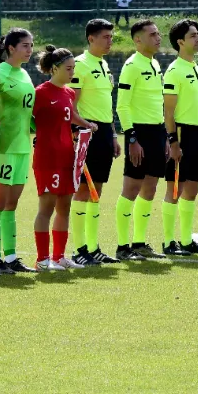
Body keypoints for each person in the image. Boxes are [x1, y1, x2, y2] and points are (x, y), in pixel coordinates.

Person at [33, 46, 99, 270]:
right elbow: (26, 118)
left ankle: (59, 256)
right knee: (46, 208)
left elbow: (71, 115)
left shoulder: (69, 93)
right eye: (68, 68)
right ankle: (42, 260)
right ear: (54, 69)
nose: (72, 72)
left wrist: (87, 124)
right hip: (47, 157)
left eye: (73, 68)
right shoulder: (40, 92)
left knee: (64, 207)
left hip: (67, 157)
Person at [69, 19, 121, 266]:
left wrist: (113, 135)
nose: (110, 41)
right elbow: (71, 104)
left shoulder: (103, 64)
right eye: (105, 37)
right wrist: (77, 132)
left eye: (111, 37)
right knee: (83, 190)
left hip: (104, 132)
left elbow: (106, 105)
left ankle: (93, 247)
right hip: (86, 132)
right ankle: (79, 249)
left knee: (96, 191)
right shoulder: (80, 65)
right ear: (91, 38)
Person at [0, 28, 37, 274]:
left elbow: (27, 112)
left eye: (31, 45)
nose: (30, 50)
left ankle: (11, 257)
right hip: (3, 146)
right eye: (25, 45)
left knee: (12, 204)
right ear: (11, 48)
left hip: (22, 146)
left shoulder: (25, 74)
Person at [115, 19, 167, 260]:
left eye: (158, 33)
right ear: (138, 39)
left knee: (151, 187)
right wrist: (132, 138)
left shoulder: (155, 63)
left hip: (157, 132)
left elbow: (157, 104)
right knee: (131, 188)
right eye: (152, 34)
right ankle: (122, 247)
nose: (158, 37)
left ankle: (139, 243)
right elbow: (122, 105)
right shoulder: (131, 65)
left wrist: (165, 136)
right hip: (139, 133)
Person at [161, 20, 198, 256]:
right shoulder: (174, 71)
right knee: (175, 189)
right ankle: (169, 242)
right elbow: (168, 111)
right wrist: (173, 141)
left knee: (192, 189)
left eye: (197, 34)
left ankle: (186, 240)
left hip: (197, 134)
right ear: (180, 42)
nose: (197, 39)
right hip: (180, 133)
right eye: (192, 36)